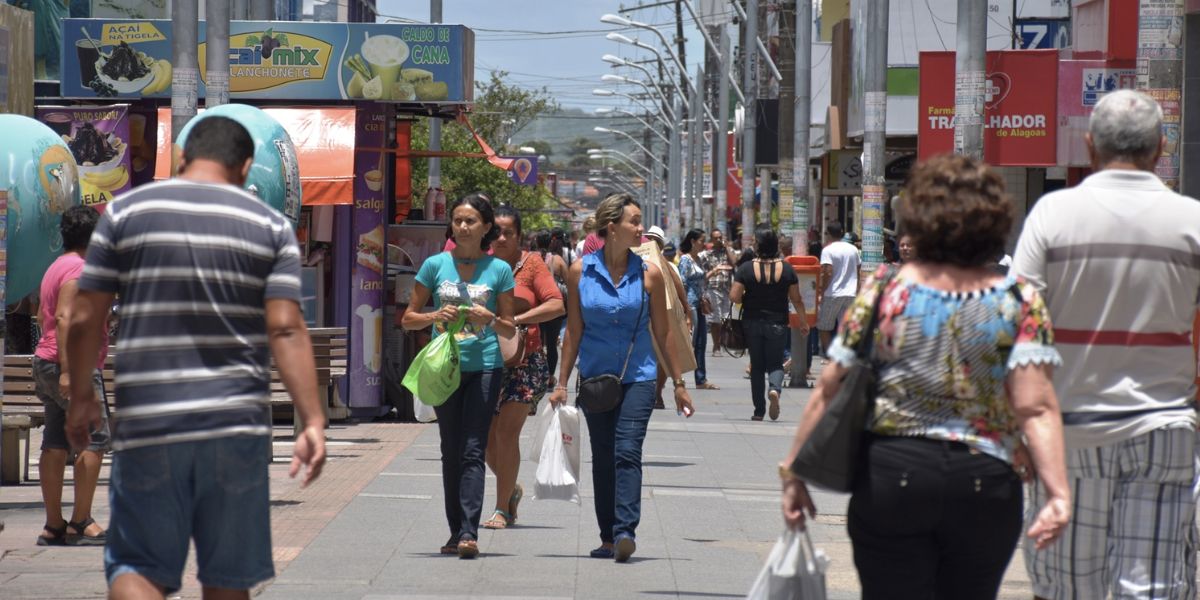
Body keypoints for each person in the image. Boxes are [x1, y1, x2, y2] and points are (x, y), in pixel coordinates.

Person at [779, 154, 1071, 599]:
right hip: (986, 480)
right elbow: (1035, 405)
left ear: (917, 219)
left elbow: (829, 385)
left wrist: (795, 472)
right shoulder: (1018, 299)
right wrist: (1058, 492)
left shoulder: (885, 290)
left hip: (893, 474)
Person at [64, 115, 327, 600]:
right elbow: (287, 326)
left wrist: (81, 395)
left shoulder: (125, 213)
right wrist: (312, 420)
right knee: (227, 581)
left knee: (137, 568)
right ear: (246, 167)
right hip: (235, 428)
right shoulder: (269, 226)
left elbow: (84, 318)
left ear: (181, 157)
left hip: (149, 423)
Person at [1012, 89, 1200, 600]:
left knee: (1070, 586)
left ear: (1090, 147)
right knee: (1153, 587)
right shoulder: (1192, 222)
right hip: (1165, 430)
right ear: (1161, 149)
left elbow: (1018, 328)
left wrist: (1017, 429)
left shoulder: (1052, 215)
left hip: (1068, 434)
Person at [548, 193, 695, 563]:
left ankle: (626, 530)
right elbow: (574, 333)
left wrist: (678, 383)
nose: (640, 228)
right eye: (634, 221)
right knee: (603, 456)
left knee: (627, 450)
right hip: (596, 378)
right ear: (612, 228)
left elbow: (663, 332)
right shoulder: (580, 271)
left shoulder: (650, 274)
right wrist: (561, 383)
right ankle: (608, 536)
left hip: (640, 377)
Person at [402, 192, 516, 559]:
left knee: (472, 448)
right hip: (445, 368)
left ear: (485, 228)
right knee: (450, 449)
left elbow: (510, 329)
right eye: (457, 220)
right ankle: (455, 532)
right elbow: (408, 318)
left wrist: (491, 320)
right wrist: (435, 317)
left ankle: (469, 532)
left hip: (484, 366)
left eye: (470, 221)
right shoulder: (434, 265)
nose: (462, 226)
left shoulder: (499, 270)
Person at [482, 207, 564, 530]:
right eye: (497, 232)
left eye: (509, 233)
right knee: (487, 443)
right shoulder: (480, 263)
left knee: (506, 433)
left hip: (525, 361)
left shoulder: (531, 265)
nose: (502, 238)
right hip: (486, 360)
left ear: (519, 235)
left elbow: (556, 303)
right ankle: (511, 488)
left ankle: (501, 510)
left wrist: (517, 319)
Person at [33, 205, 109, 547]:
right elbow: (64, 317)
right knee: (94, 440)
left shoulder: (55, 267)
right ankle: (81, 520)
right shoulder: (80, 270)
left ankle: (53, 525)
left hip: (45, 360)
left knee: (54, 441)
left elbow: (40, 316)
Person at [730, 226, 808, 422]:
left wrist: (749, 297)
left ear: (758, 245)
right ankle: (774, 390)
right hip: (778, 323)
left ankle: (758, 411)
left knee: (757, 366)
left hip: (752, 322)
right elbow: (796, 299)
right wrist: (803, 322)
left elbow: (734, 296)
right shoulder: (787, 269)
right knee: (775, 363)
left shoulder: (746, 268)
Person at [645, 225, 692, 409]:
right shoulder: (636, 260)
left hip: (662, 315)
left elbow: (679, 290)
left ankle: (657, 391)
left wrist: (687, 312)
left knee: (662, 356)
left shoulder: (668, 265)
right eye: (649, 239)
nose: (651, 243)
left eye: (655, 241)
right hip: (643, 315)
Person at [678, 229, 718, 390]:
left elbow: (700, 280)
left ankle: (701, 379)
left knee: (701, 342)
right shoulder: (685, 260)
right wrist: (685, 307)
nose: (704, 244)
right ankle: (678, 376)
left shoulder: (698, 260)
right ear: (693, 241)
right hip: (690, 305)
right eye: (701, 240)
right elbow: (681, 283)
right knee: (689, 342)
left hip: (699, 305)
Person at [816, 221, 860, 355]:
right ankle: (844, 358)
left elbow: (827, 272)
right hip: (851, 294)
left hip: (832, 294)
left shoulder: (827, 250)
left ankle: (831, 357)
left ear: (828, 234)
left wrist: (821, 291)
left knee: (823, 327)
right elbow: (858, 270)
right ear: (842, 232)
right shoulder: (853, 249)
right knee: (845, 329)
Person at [533, 229, 569, 376]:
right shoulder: (557, 260)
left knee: (538, 343)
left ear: (536, 241)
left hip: (536, 306)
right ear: (551, 242)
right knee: (552, 344)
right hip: (553, 306)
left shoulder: (530, 258)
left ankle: (537, 375)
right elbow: (569, 281)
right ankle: (549, 378)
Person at [698, 228, 735, 357]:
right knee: (716, 319)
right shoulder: (707, 255)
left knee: (726, 318)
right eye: (716, 238)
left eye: (720, 237)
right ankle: (716, 346)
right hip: (713, 289)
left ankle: (723, 342)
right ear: (712, 240)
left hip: (727, 289)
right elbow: (701, 271)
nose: (719, 240)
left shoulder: (728, 252)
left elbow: (735, 263)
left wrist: (727, 248)